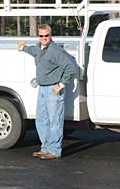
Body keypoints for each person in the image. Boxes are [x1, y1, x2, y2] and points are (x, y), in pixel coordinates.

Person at [18, 24, 77, 160]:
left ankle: (55, 151)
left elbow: (70, 68)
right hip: (42, 89)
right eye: (41, 36)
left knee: (54, 121)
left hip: (52, 89)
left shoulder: (55, 50)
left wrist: (61, 85)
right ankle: (45, 148)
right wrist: (23, 48)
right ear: (38, 36)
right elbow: (34, 51)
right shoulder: (39, 47)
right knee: (41, 120)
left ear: (51, 35)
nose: (44, 38)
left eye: (47, 36)